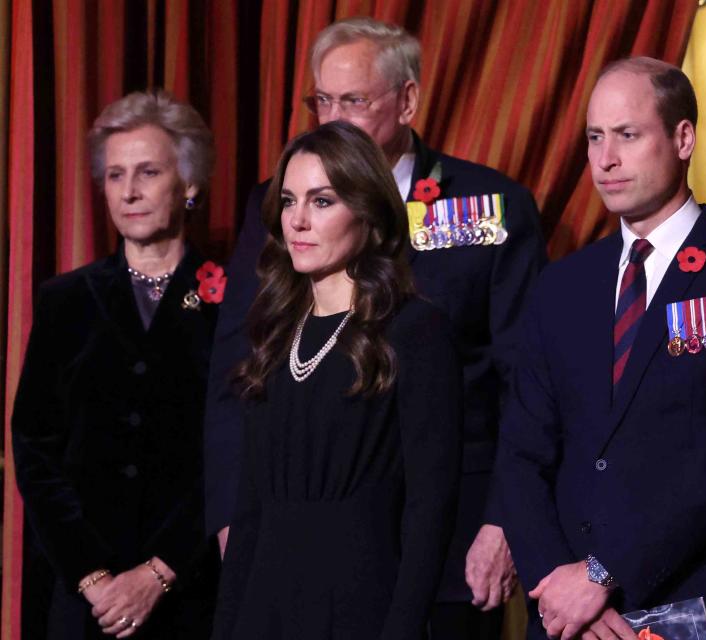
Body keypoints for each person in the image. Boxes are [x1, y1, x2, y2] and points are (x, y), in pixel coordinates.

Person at [203, 17, 545, 638]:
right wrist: (233, 517)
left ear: (407, 100)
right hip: (285, 542)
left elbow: (528, 382)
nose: (333, 115)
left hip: (445, 540)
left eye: (353, 100)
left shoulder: (489, 205)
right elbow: (237, 378)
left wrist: (506, 521)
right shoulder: (277, 205)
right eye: (321, 100)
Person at [494, 57, 706, 640]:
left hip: (699, 599)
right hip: (568, 615)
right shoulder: (562, 285)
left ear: (683, 137)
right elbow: (520, 456)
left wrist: (603, 573)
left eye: (628, 135)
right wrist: (560, 590)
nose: (605, 159)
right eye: (594, 138)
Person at [210, 121, 462, 639]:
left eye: (322, 202)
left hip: (361, 604)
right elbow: (250, 507)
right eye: (288, 201)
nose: (297, 221)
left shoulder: (414, 329)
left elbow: (429, 509)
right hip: (265, 604)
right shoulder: (273, 332)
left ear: (367, 212)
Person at [11, 91, 221, 639]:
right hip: (83, 598)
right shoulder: (65, 300)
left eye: (148, 172)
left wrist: (160, 571)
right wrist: (93, 576)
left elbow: (238, 454)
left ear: (190, 183)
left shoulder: (236, 302)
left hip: (194, 591)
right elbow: (34, 448)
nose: (128, 191)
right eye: (114, 175)